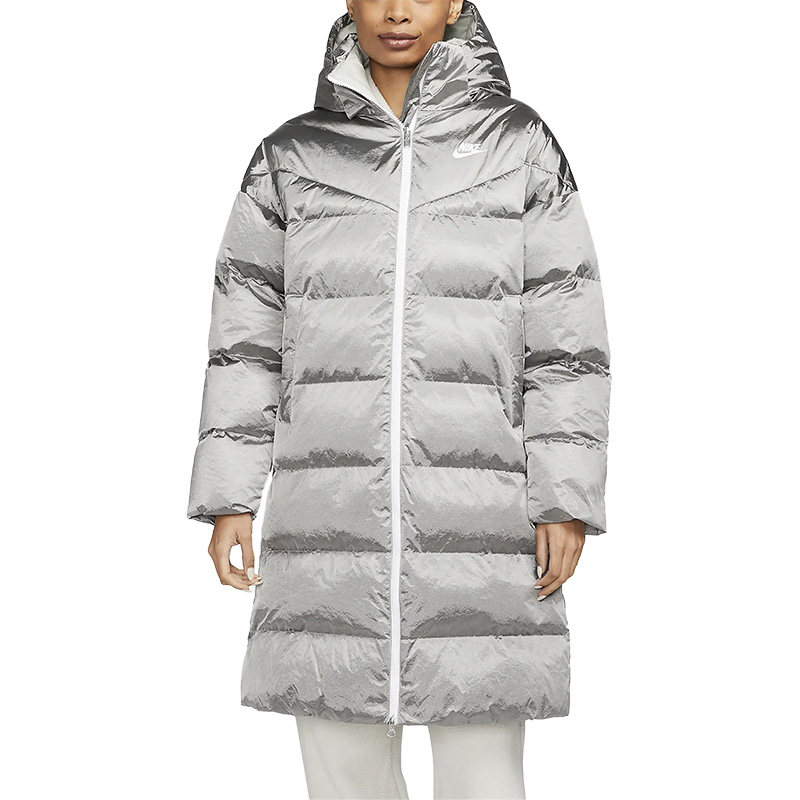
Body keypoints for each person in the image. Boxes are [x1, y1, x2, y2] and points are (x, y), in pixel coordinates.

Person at [187, 1, 611, 797]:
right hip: (328, 514)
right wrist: (229, 497)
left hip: (484, 514)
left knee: (483, 776)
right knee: (342, 772)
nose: (396, 10)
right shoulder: (293, 156)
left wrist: (567, 498)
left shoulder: (518, 145)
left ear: (454, 4)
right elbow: (245, 339)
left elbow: (567, 339)